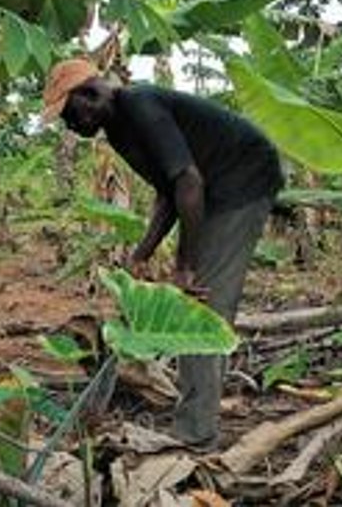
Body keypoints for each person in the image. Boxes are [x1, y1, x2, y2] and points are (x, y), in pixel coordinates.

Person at [42, 57, 284, 450]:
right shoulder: (118, 129)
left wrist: (184, 267)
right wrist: (142, 253)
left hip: (242, 180)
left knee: (203, 307)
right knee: (197, 300)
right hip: (216, 188)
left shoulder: (139, 105)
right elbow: (169, 192)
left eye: (70, 113)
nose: (70, 125)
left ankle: (196, 436)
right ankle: (194, 421)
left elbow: (189, 182)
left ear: (91, 93)